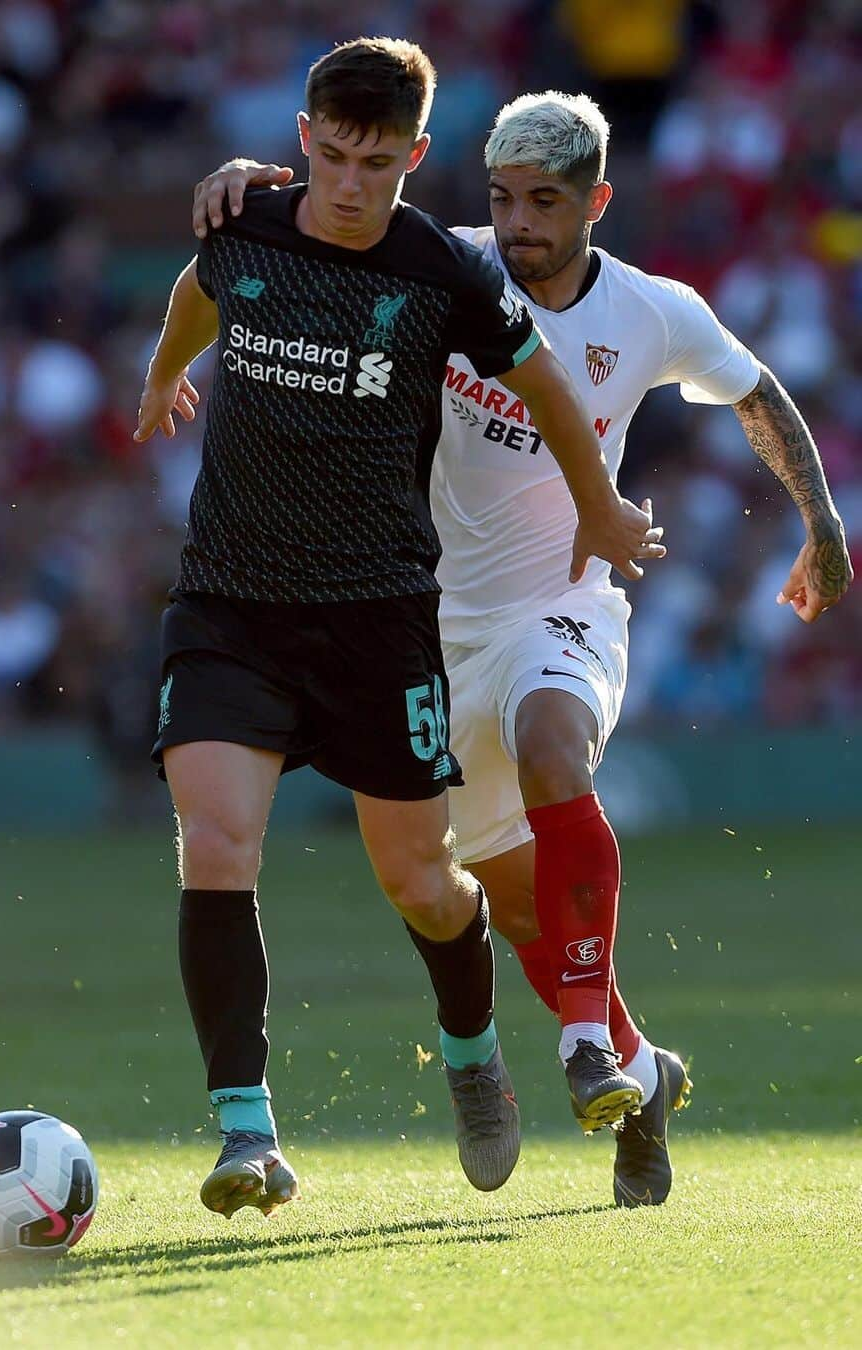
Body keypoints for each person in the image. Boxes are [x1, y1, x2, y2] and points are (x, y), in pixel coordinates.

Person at [190, 91, 853, 1207]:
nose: (522, 223)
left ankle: (586, 1047)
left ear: (597, 200)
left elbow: (757, 394)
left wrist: (821, 522)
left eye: (546, 201)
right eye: (504, 199)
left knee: (558, 747)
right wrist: (249, 180)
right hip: (414, 626)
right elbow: (321, 222)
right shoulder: (444, 268)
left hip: (567, 603)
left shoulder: (653, 312)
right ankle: (641, 1075)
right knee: (513, 909)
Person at [135, 45, 662, 1220]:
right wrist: (166, 372)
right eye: (331, 154)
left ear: (416, 158)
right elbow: (197, 291)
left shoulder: (443, 276)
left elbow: (545, 393)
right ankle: (245, 1132)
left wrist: (598, 505)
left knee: (425, 880)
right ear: (305, 134)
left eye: (378, 162)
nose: (349, 182)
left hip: (378, 621)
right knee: (216, 847)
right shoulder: (247, 225)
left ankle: (473, 1054)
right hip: (230, 607)